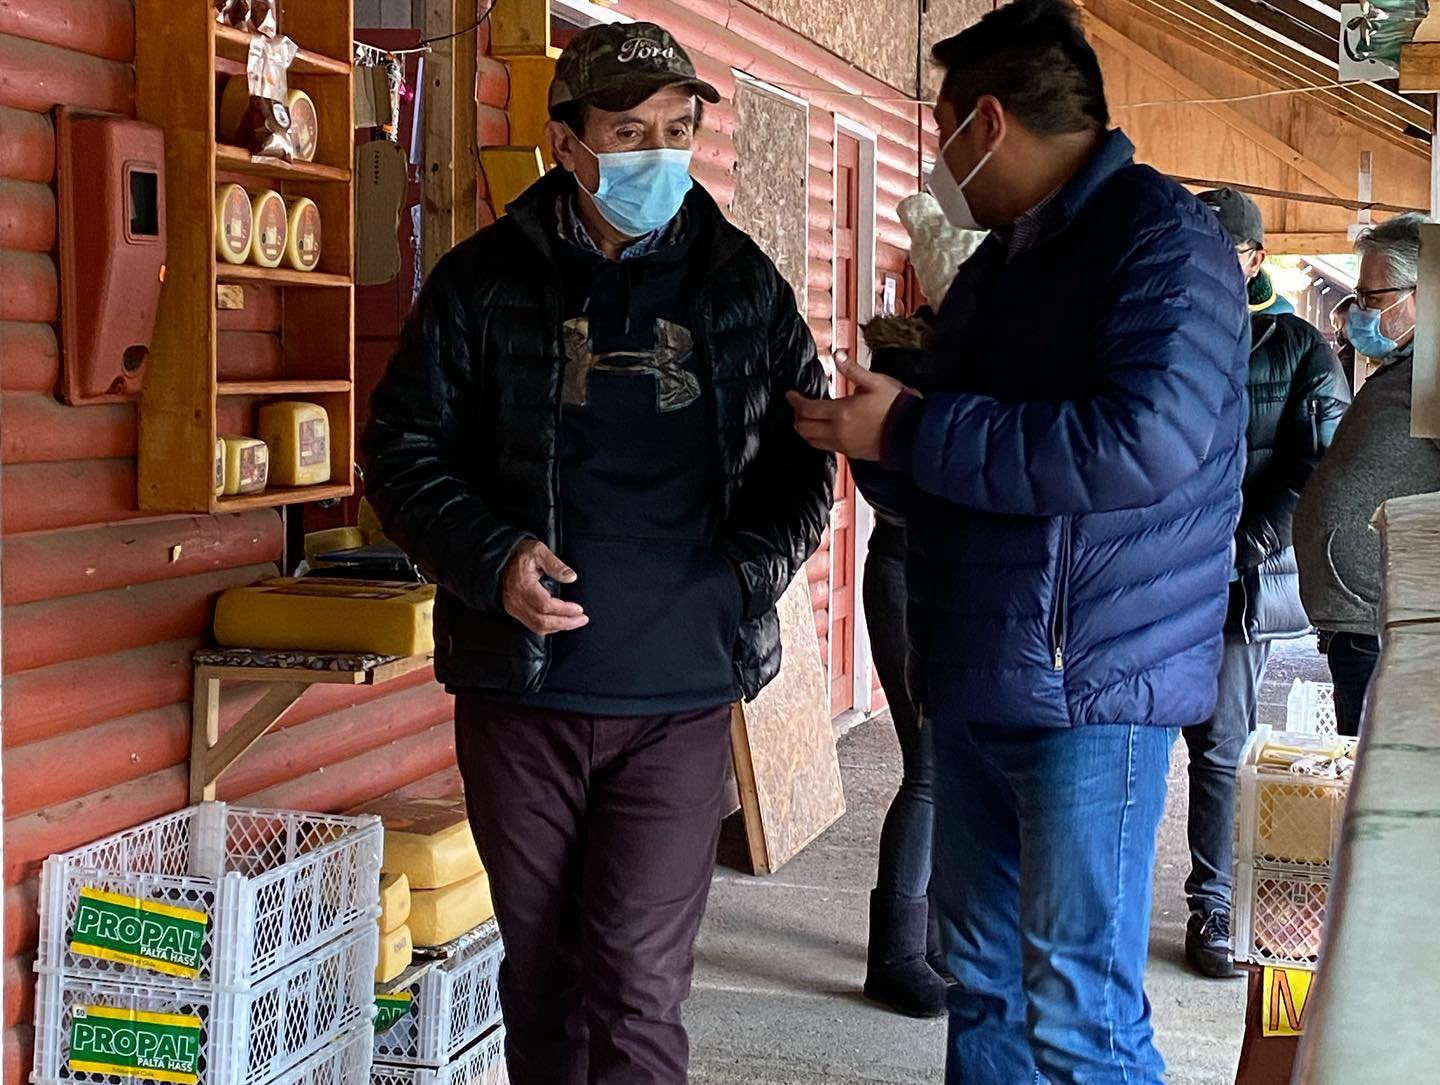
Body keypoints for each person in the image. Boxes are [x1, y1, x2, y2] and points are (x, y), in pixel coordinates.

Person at [361, 21, 834, 1084]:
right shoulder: (481, 282)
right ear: (566, 144)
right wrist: (491, 556)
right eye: (629, 133)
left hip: (679, 695)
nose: (659, 153)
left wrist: (745, 575)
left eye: (678, 129)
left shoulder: (742, 284)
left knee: (638, 982)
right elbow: (399, 449)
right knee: (545, 977)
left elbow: (807, 458)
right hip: (523, 696)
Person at [787, 1, 1249, 1081]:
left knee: (1080, 1005)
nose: (940, 161)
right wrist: (871, 434)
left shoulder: (1162, 241)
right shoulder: (1003, 263)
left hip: (1095, 682)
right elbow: (954, 458)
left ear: (986, 122)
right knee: (985, 985)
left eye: (942, 129)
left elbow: (1140, 443)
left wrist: (912, 428)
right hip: (983, 665)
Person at [1181, 188, 1351, 979]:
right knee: (1131, 739)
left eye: (1225, 250)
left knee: (1220, 745)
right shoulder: (1163, 326)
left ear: (1256, 257)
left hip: (1238, 579)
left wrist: (1246, 543)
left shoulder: (1298, 347)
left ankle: (1214, 904)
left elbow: (1315, 463)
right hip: (1157, 573)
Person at [861, 195, 984, 1019]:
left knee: (958, 768)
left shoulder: (997, 356)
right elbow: (888, 478)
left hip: (970, 582)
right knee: (931, 766)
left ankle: (935, 937)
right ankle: (897, 952)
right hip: (910, 571)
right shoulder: (907, 359)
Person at [1295, 213, 1440, 736]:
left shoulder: (1435, 372)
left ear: (1422, 294)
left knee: (1377, 769)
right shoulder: (1410, 369)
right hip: (1369, 622)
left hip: (1392, 627)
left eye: (1373, 298)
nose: (1359, 311)